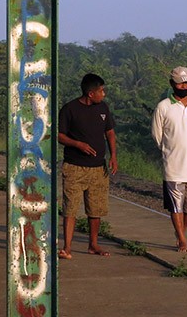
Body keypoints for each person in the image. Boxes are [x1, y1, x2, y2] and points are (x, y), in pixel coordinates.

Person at [58, 73, 117, 259]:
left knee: (96, 208)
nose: (104, 94)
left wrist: (113, 156)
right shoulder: (69, 109)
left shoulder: (103, 108)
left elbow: (110, 133)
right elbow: (60, 135)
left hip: (98, 168)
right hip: (74, 167)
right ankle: (67, 247)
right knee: (70, 208)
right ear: (91, 93)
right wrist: (77, 144)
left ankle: (93, 244)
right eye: (101, 91)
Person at [151, 66, 187, 253]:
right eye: (181, 83)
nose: (185, 86)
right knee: (176, 206)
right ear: (172, 84)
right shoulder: (163, 107)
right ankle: (182, 240)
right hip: (173, 167)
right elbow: (158, 135)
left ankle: (180, 231)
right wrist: (170, 151)